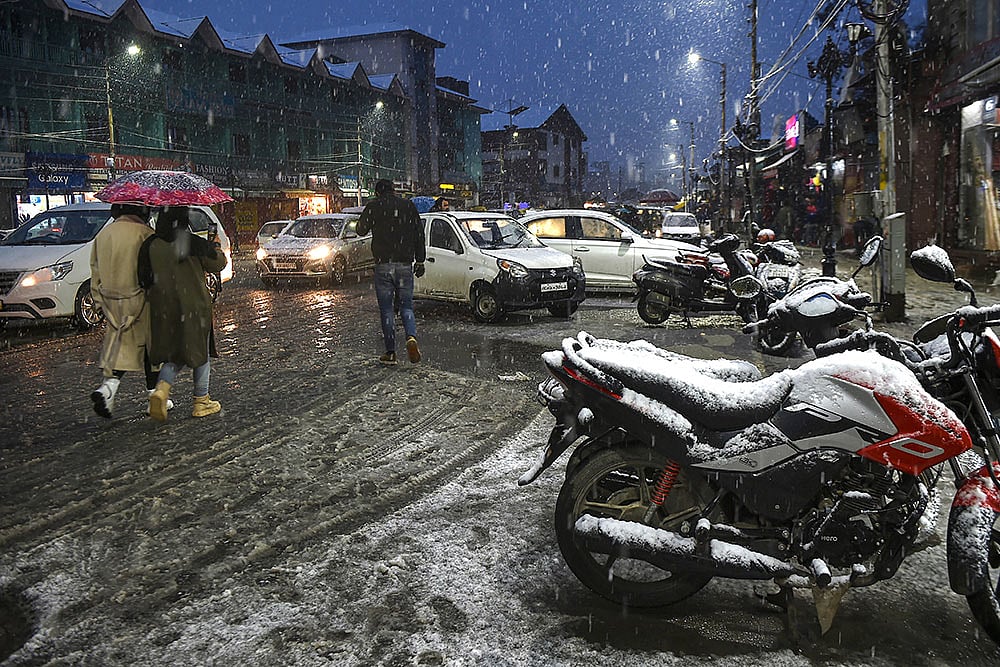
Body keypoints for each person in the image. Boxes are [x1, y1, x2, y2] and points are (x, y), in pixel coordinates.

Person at [138, 206, 228, 421]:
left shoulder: (149, 245)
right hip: (193, 307)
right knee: (200, 352)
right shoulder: (191, 242)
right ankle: (201, 401)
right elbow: (218, 264)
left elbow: (143, 278)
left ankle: (161, 389)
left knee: (175, 353)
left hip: (163, 309)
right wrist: (214, 246)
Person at [90, 203, 170, 418]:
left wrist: (100, 303)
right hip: (141, 300)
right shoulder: (145, 234)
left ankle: (108, 388)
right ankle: (153, 394)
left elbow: (95, 272)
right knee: (150, 349)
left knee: (121, 347)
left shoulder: (103, 234)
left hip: (112, 302)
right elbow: (152, 269)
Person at [357, 179, 425, 366]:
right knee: (407, 306)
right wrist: (420, 259)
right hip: (404, 264)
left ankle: (391, 352)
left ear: (377, 192)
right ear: (394, 191)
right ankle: (411, 337)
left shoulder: (374, 206)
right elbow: (419, 233)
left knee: (386, 310)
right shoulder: (408, 206)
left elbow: (361, 230)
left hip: (383, 265)